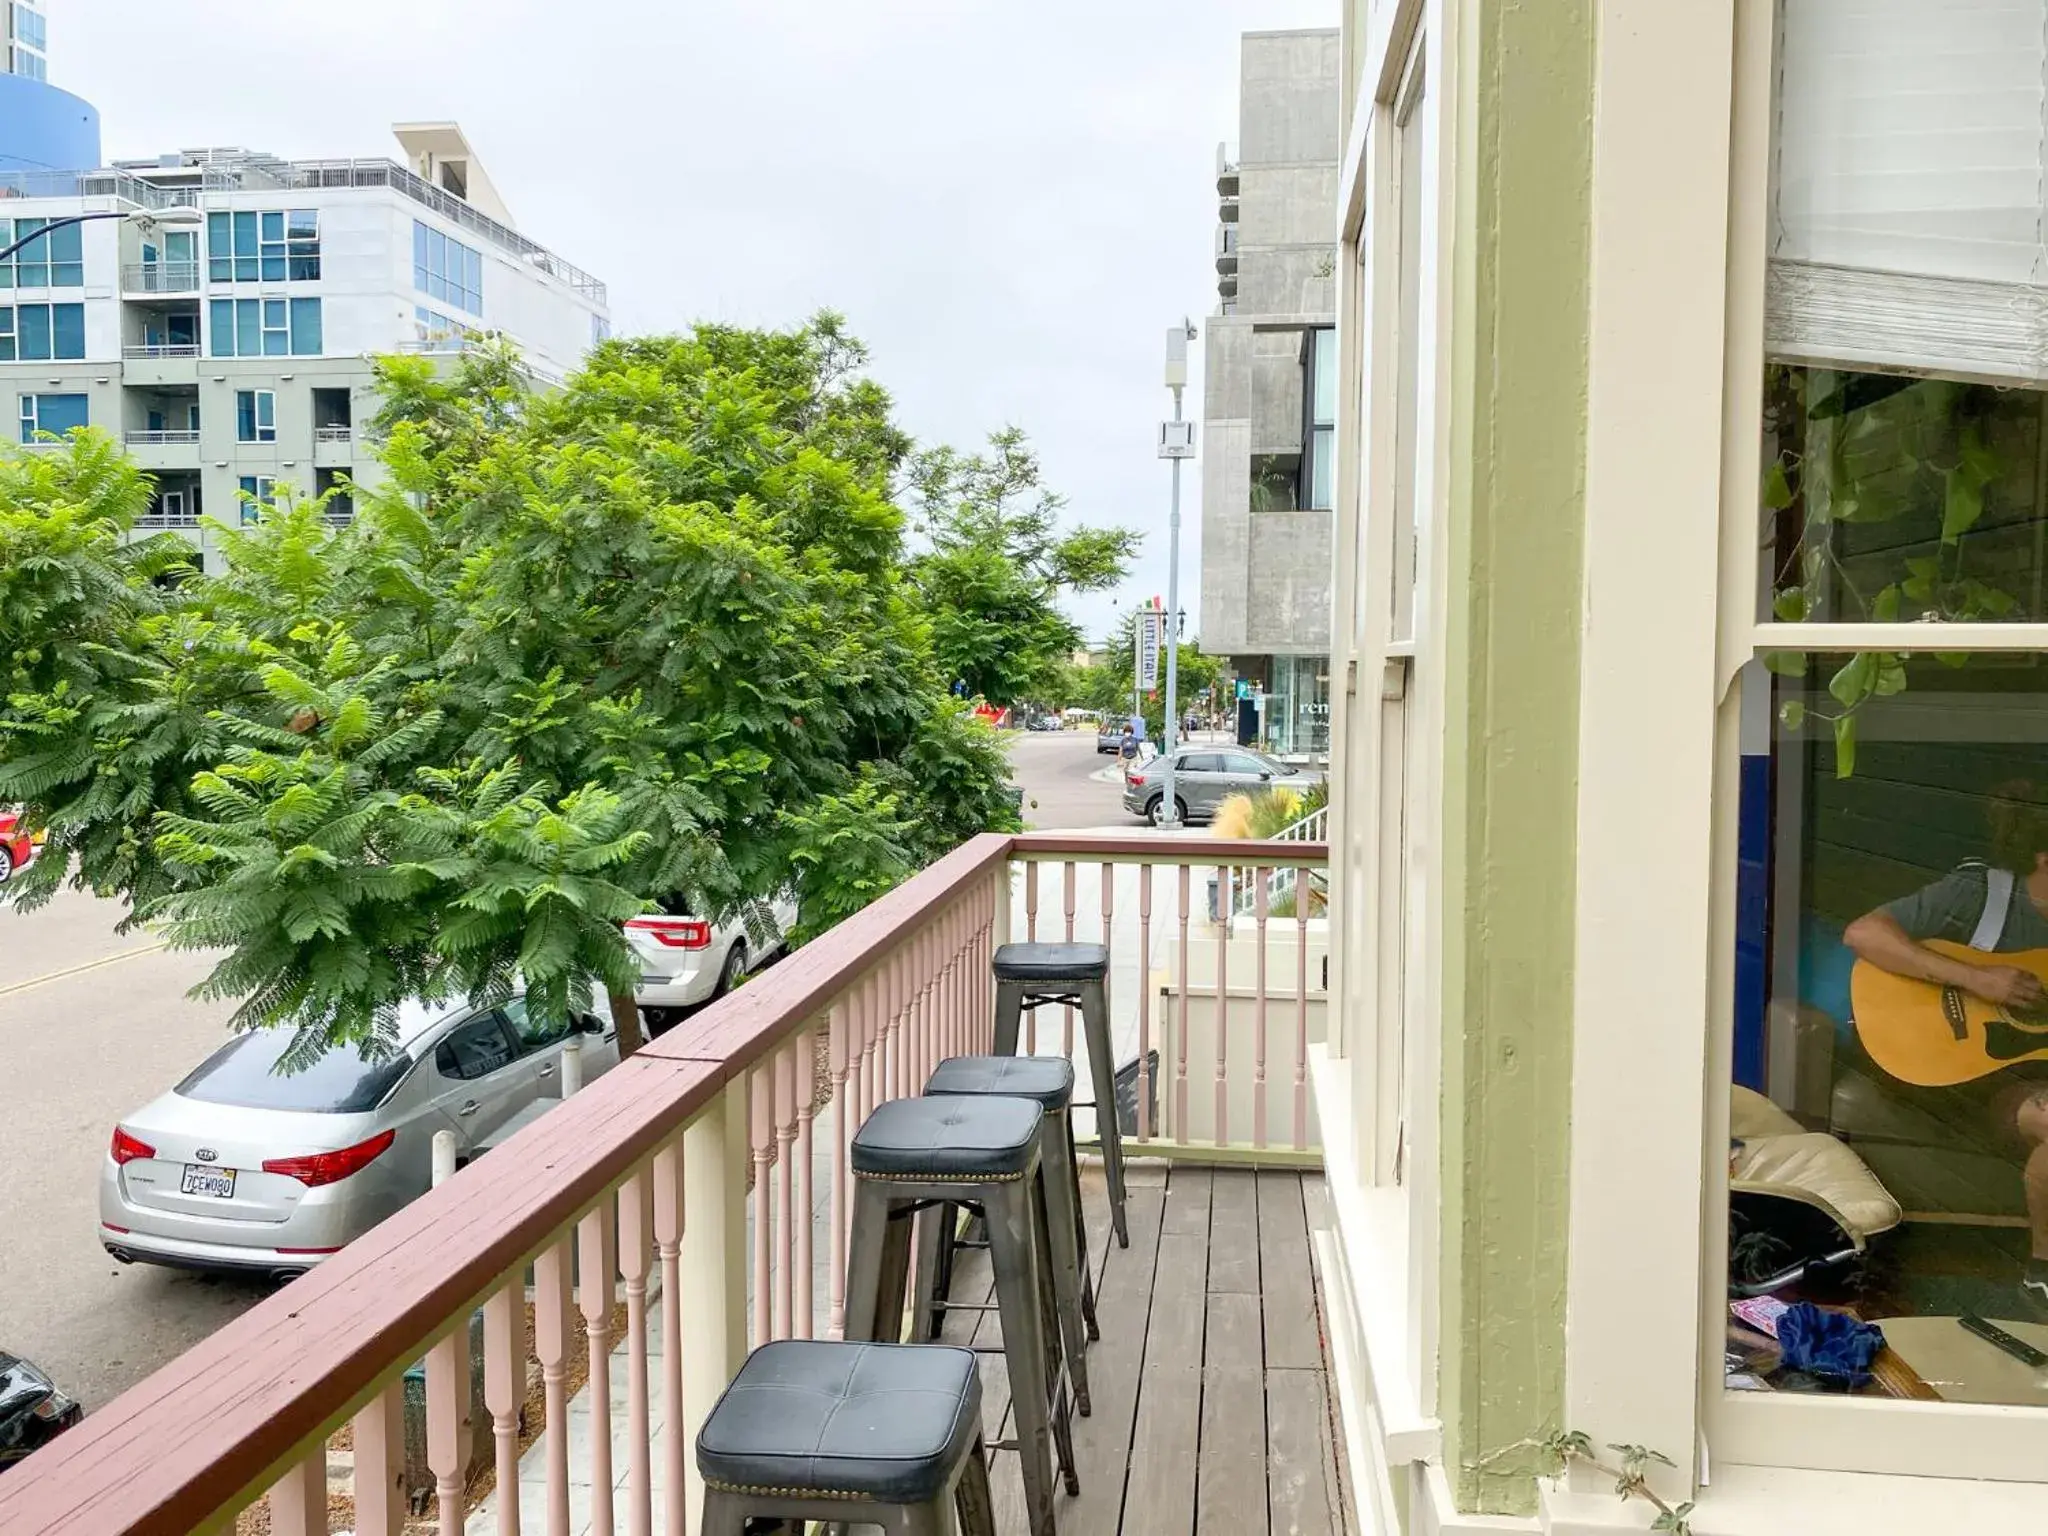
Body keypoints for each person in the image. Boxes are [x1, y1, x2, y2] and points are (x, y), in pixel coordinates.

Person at [1843, 787, 2048, 1307]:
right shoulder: (1983, 895)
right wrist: (1977, 979)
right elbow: (1864, 933)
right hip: (1944, 1072)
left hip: (2023, 1081)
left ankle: (2040, 1272)